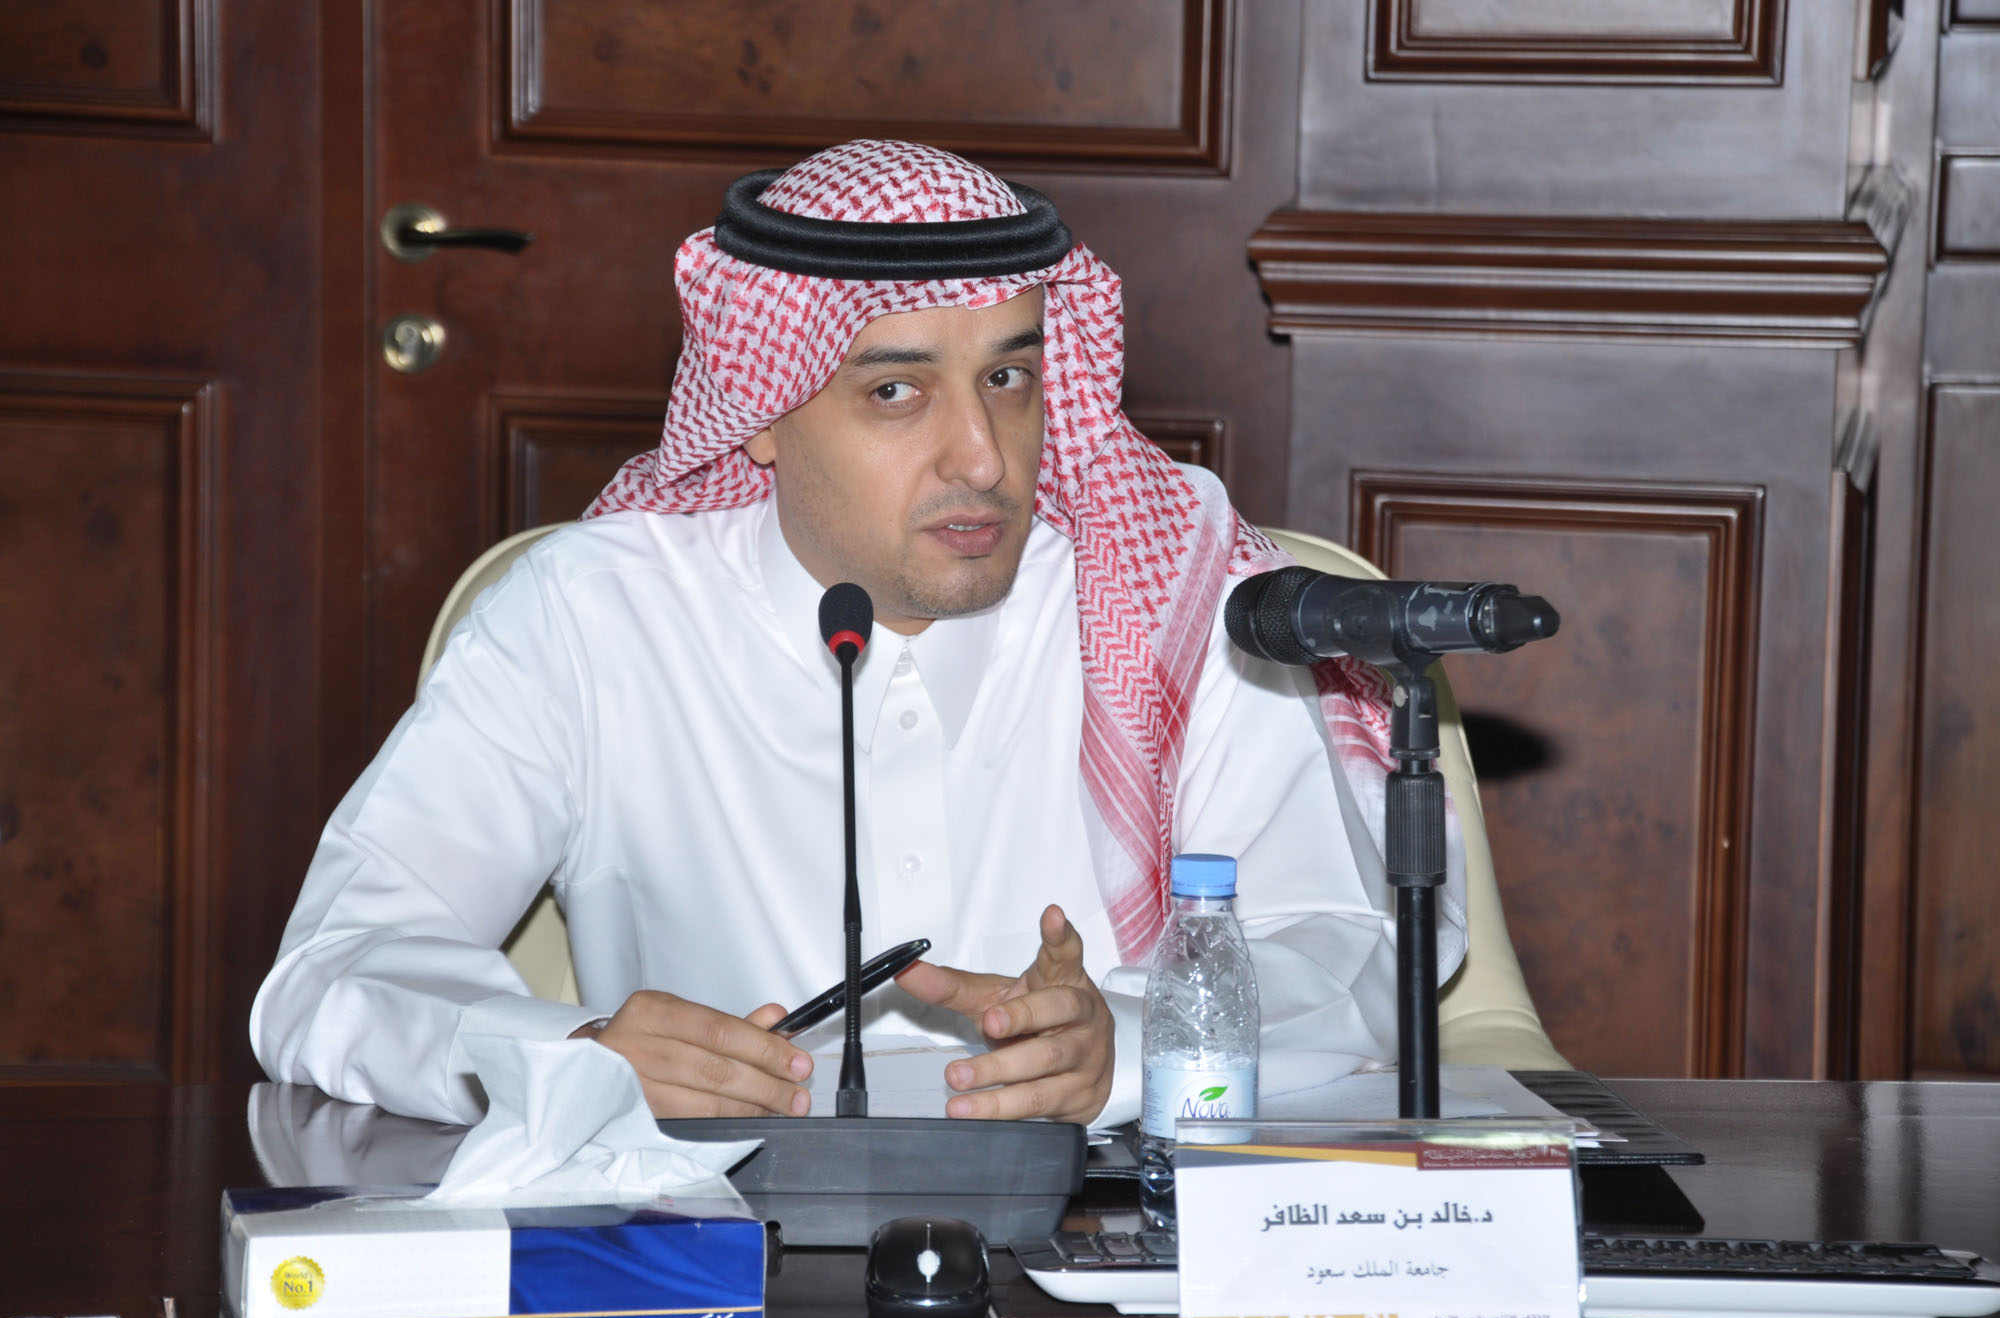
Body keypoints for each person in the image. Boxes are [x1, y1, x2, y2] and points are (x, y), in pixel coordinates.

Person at [250, 139, 1465, 1129]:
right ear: (760, 410)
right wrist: (570, 1054)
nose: (980, 457)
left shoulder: (1176, 600)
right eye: (895, 391)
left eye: (1009, 378)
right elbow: (337, 965)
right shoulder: (590, 618)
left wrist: (1135, 1042)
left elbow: (1348, 947)